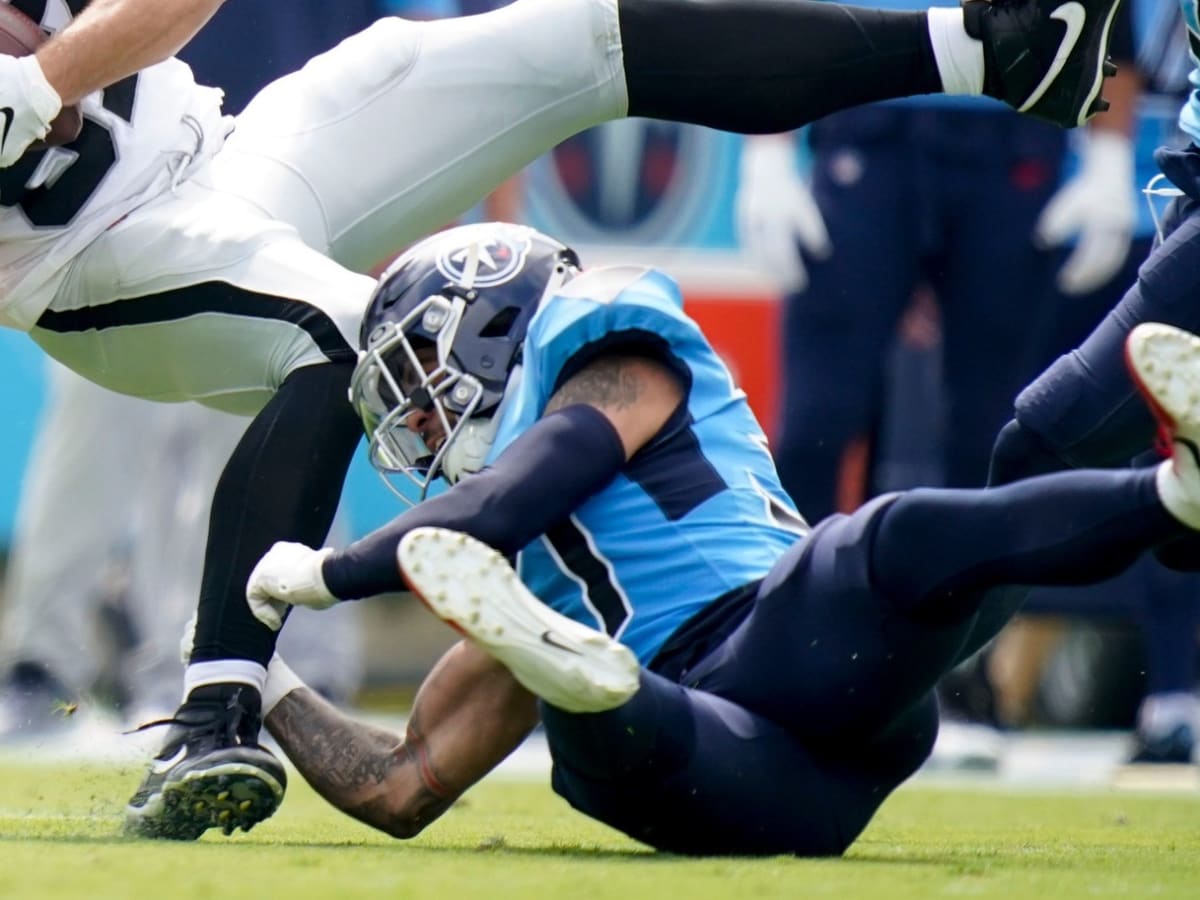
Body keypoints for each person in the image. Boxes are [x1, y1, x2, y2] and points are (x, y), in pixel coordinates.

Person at [0, 0, 1123, 841]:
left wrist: (44, 81)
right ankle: (218, 711)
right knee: (348, 330)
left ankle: (990, 48)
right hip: (87, 257)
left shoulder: (600, 364)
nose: (435, 409)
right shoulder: (588, 404)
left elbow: (494, 539)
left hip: (212, 158)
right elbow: (414, 765)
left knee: (563, 42)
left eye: (456, 367)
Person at [238, 221, 1200, 857]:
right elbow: (401, 786)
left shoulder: (612, 361)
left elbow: (512, 497)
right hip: (793, 767)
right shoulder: (519, 587)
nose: (417, 418)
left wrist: (329, 572)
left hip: (788, 637)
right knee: (604, 740)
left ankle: (1170, 495)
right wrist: (254, 677)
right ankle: (595, 692)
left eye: (421, 370)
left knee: (886, 540)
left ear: (490, 323)